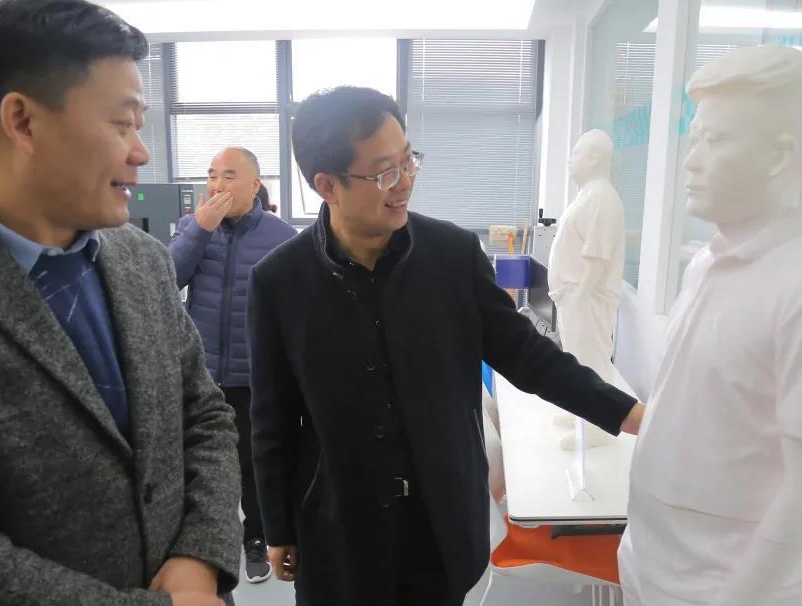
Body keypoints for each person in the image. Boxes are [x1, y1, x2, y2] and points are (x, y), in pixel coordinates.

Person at [0, 1, 241, 605]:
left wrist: (201, 558)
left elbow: (205, 415)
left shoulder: (143, 260)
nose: (141, 152)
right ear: (23, 121)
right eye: (122, 124)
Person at [246, 85, 645, 606]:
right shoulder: (280, 281)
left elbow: (529, 356)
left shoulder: (452, 256)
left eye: (408, 160)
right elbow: (271, 418)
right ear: (327, 185)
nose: (405, 182)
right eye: (384, 172)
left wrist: (630, 414)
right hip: (338, 530)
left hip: (438, 526)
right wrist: (276, 526)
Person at [617, 46, 802, 606]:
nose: (691, 161)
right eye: (695, 139)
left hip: (719, 584)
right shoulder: (705, 263)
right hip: (649, 558)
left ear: (780, 154)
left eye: (714, 140)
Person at [169, 147, 296, 583]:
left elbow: (294, 311)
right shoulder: (193, 228)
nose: (217, 185)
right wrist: (199, 230)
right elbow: (166, 280)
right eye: (211, 176)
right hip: (200, 374)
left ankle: (256, 538)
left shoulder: (281, 237)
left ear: (254, 185)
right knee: (198, 462)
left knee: (253, 464)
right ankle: (200, 544)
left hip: (251, 374)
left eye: (228, 176)